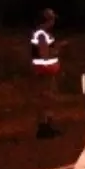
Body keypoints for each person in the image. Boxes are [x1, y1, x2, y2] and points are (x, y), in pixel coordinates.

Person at [30, 8, 63, 138]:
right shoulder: (42, 35)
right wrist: (57, 50)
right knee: (46, 98)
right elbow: (44, 54)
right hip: (44, 70)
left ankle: (47, 126)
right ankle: (44, 128)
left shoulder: (42, 33)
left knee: (47, 98)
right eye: (52, 19)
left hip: (45, 70)